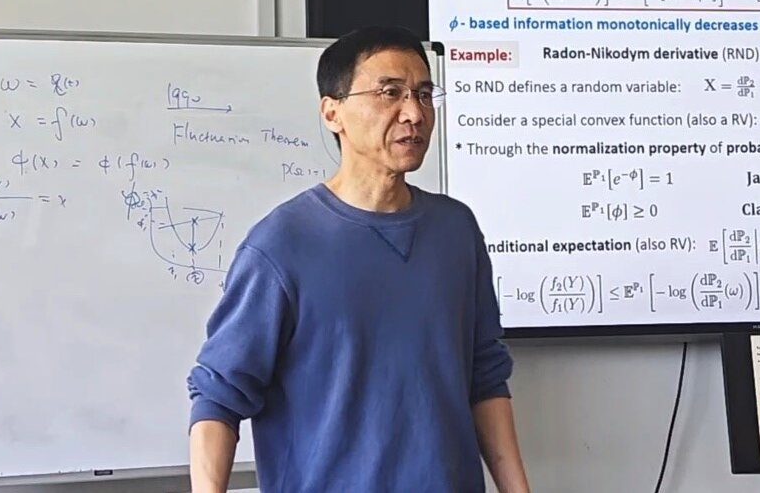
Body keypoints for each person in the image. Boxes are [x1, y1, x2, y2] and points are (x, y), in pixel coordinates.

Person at [186, 25, 531, 493]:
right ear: (333, 112)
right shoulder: (281, 244)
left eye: (424, 94)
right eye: (390, 93)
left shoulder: (456, 231)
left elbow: (485, 378)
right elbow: (218, 396)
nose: (414, 113)